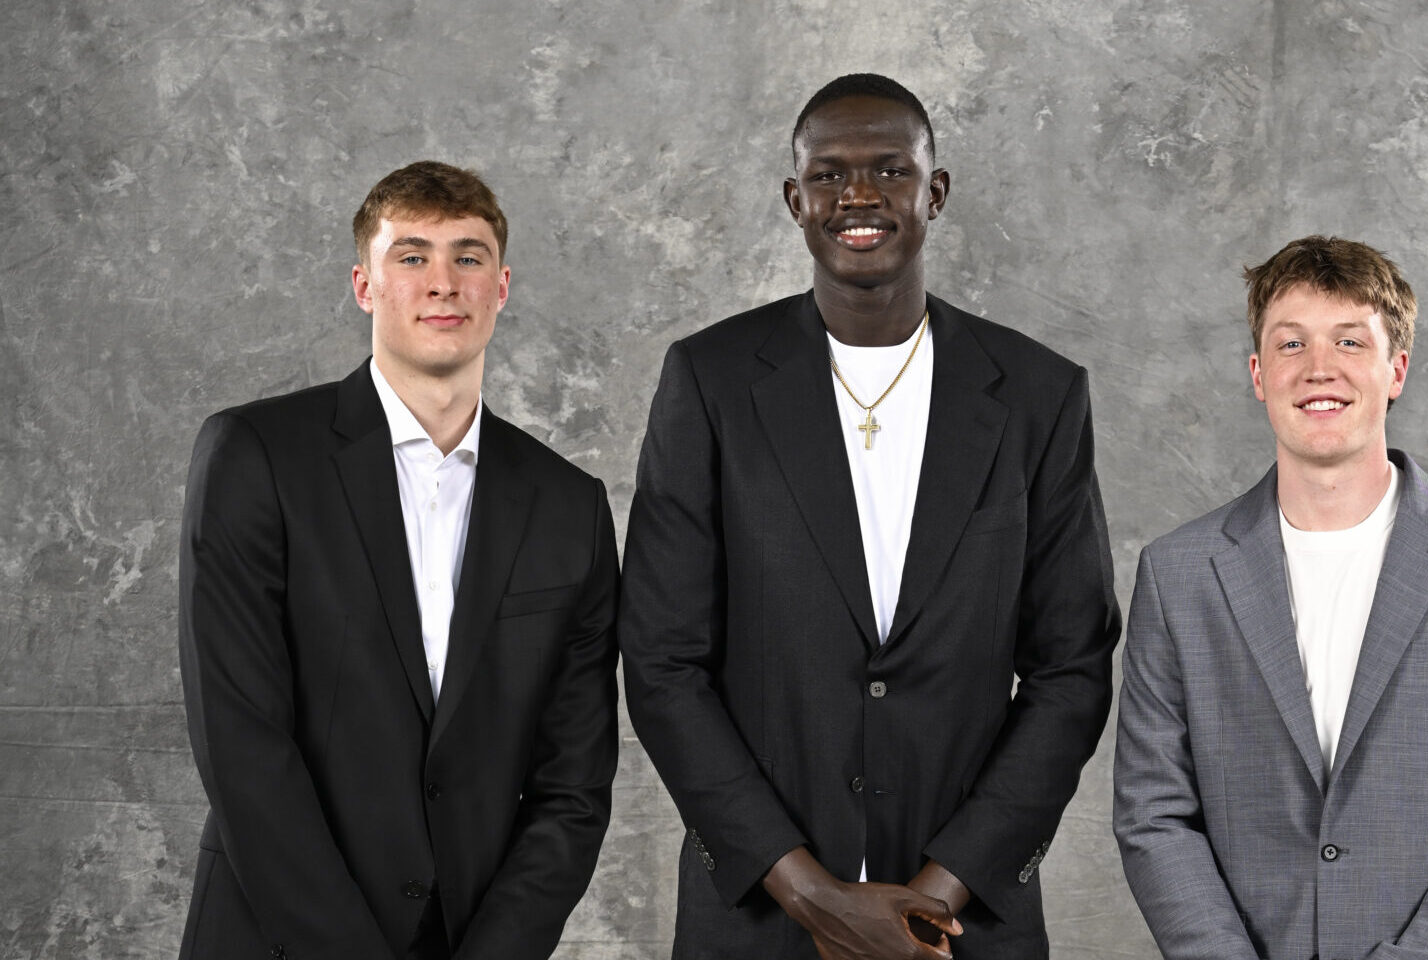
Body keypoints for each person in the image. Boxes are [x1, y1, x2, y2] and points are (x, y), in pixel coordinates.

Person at [619, 74, 1121, 959]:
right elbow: (663, 663)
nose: (858, 195)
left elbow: (1071, 669)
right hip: (761, 921)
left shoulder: (1039, 396)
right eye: (828, 174)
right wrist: (811, 896)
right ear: (795, 200)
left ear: (936, 192)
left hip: (963, 925)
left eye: (891, 170)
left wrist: (937, 895)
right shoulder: (710, 381)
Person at [176, 161, 619, 960]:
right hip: (276, 938)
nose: (443, 281)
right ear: (365, 286)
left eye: (468, 256)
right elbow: (241, 746)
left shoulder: (570, 507)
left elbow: (574, 788)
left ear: (501, 288)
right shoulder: (257, 456)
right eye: (412, 256)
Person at [1113, 235, 1428, 960]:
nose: (1318, 367)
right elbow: (1153, 813)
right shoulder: (1178, 574)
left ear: (1397, 369)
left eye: (1350, 341)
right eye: (1291, 343)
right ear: (1258, 374)